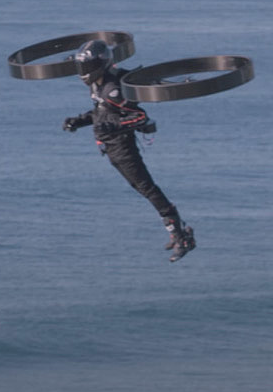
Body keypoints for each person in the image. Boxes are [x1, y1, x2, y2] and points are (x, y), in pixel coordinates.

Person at [62, 39, 196, 262]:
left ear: (98, 65)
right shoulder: (98, 85)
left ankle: (182, 237)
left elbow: (141, 117)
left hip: (122, 148)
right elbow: (101, 112)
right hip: (110, 148)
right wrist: (79, 121)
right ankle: (178, 231)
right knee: (143, 188)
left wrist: (115, 127)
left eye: (85, 67)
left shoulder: (113, 90)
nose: (82, 72)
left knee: (148, 189)